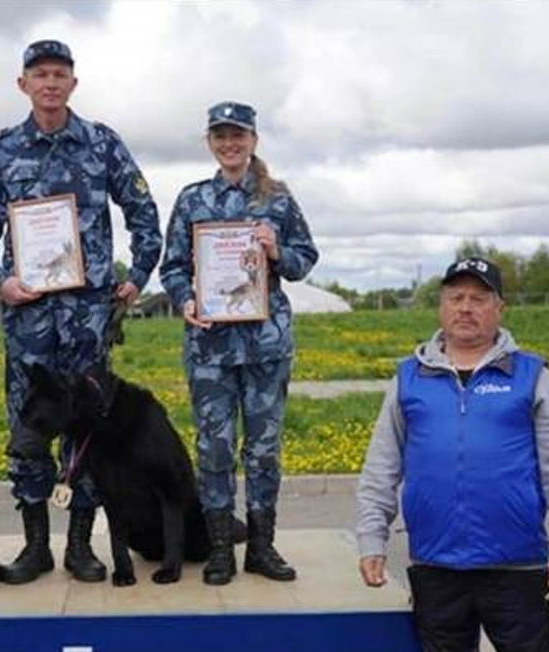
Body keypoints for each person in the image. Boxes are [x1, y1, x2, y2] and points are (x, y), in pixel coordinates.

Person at [0, 40, 162, 584]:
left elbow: (144, 211)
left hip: (88, 319)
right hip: (29, 320)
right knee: (28, 429)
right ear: (22, 84)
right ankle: (34, 546)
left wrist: (138, 275)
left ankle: (79, 545)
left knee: (90, 428)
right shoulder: (1, 150)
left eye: (60, 74)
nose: (50, 83)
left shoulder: (101, 144)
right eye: (40, 75)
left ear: (74, 83)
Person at [356, 257, 549, 652]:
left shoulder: (531, 376)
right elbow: (381, 468)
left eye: (479, 299)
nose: (466, 308)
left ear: (499, 309)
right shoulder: (408, 378)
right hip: (436, 569)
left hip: (517, 570)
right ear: (441, 306)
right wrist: (370, 540)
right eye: (456, 297)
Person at [160, 101, 319, 585]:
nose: (230, 144)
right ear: (210, 141)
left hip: (265, 346)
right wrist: (187, 299)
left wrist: (276, 250)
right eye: (220, 136)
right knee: (214, 449)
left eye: (239, 135)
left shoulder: (279, 199)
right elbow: (171, 267)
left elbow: (305, 258)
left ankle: (262, 547)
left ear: (254, 140)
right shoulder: (192, 200)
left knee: (264, 449)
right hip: (210, 348)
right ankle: (221, 549)